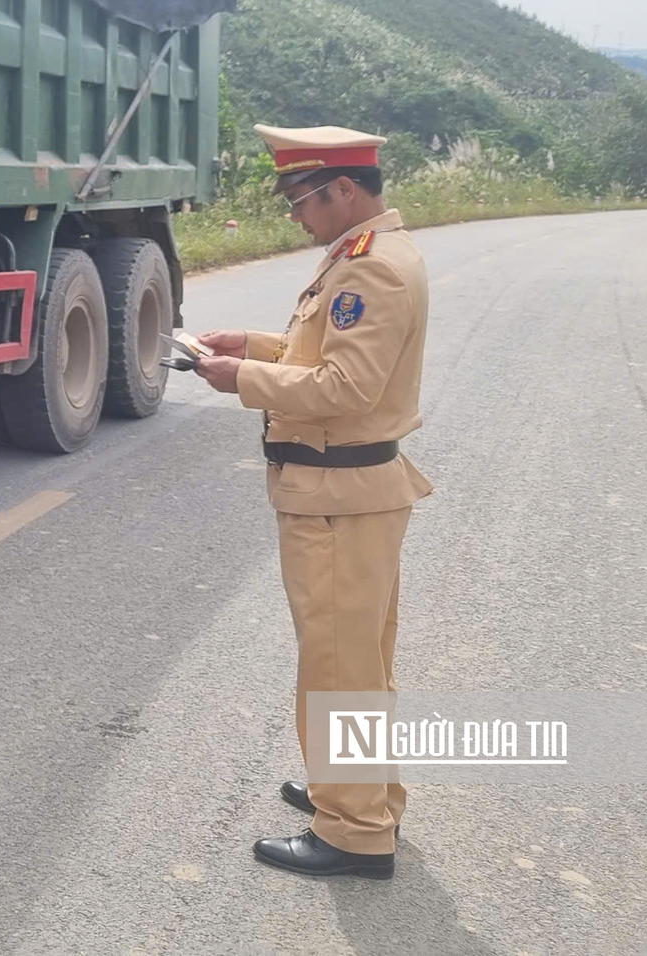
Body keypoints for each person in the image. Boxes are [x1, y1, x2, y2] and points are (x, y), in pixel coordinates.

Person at [194, 125, 433, 881]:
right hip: (348, 492)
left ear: (346, 191)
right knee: (357, 657)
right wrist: (257, 346)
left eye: (303, 199)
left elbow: (345, 389)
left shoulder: (372, 271)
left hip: (339, 494)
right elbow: (321, 352)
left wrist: (241, 380)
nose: (296, 214)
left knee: (338, 663)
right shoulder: (364, 256)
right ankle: (363, 791)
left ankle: (355, 831)